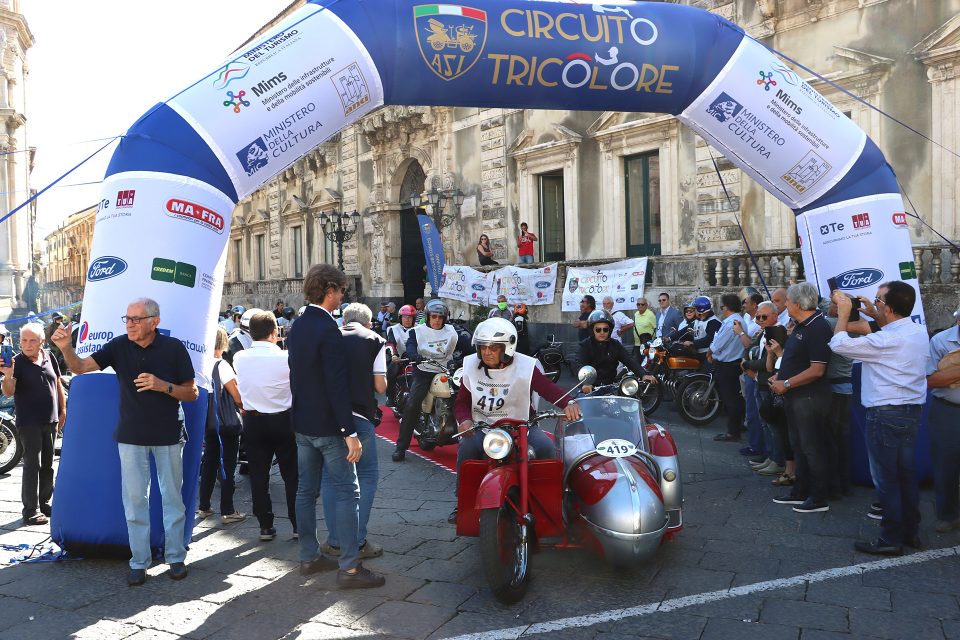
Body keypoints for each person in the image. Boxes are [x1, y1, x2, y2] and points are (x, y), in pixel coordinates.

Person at [51, 298, 197, 586]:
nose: (129, 324)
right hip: (131, 436)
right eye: (127, 319)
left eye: (136, 319)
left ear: (154, 321)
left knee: (172, 500)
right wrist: (66, 347)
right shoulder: (119, 346)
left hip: (168, 434)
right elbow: (80, 368)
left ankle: (176, 558)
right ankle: (139, 561)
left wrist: (162, 385)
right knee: (134, 502)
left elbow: (191, 393)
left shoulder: (174, 348)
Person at [287, 263, 384, 588]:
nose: (343, 295)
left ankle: (309, 557)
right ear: (330, 290)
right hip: (329, 427)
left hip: (302, 423)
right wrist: (349, 432)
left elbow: (297, 377)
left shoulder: (297, 326)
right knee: (348, 491)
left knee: (305, 490)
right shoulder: (328, 329)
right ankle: (350, 568)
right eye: (341, 290)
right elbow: (336, 385)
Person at [830, 282, 928, 555]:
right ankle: (911, 532)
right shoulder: (918, 331)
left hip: (885, 413)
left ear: (890, 307)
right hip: (910, 411)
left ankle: (890, 539)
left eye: (878, 300)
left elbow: (838, 344)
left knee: (886, 480)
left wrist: (843, 313)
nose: (874, 303)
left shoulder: (887, 340)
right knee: (906, 475)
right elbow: (888, 331)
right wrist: (875, 314)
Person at [451, 318, 582, 522]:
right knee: (467, 449)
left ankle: (548, 504)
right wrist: (464, 420)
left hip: (523, 426)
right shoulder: (470, 366)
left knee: (546, 448)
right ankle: (462, 502)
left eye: (493, 348)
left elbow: (548, 389)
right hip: (483, 427)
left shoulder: (526, 366)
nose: (486, 352)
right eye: (483, 347)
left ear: (507, 347)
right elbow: (461, 402)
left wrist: (568, 403)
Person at [321, 303, 386, 560]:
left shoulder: (329, 337)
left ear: (344, 319)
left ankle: (335, 541)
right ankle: (357, 540)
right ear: (369, 323)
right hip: (360, 415)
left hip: (329, 417)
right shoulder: (375, 340)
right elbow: (380, 387)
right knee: (367, 474)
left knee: (330, 477)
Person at [232, 312, 298, 542]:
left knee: (259, 475)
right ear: (275, 332)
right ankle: (297, 523)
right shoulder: (286, 357)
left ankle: (265, 526)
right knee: (292, 475)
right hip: (283, 420)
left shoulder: (240, 357)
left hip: (254, 421)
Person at [769, 282, 833, 515]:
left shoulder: (818, 328)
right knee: (799, 445)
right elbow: (795, 358)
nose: (785, 305)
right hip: (795, 396)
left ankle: (818, 496)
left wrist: (785, 383)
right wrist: (780, 375)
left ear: (797, 303)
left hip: (809, 398)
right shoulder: (801, 326)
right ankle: (800, 491)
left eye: (787, 301)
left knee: (812, 447)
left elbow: (817, 369)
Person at [1, 323, 65, 526]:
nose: (27, 345)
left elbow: (57, 383)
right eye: (24, 340)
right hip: (28, 422)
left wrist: (62, 410)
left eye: (32, 341)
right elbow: (8, 392)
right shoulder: (16, 362)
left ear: (41, 342)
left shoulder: (48, 356)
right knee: (32, 465)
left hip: (51, 420)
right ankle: (30, 510)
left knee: (48, 465)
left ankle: (45, 504)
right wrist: (8, 374)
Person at [395, 299, 469, 461]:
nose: (436, 320)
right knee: (413, 403)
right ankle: (401, 447)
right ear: (428, 317)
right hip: (424, 370)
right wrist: (414, 355)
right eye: (434, 316)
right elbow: (411, 346)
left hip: (447, 370)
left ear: (445, 318)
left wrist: (478, 353)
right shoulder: (417, 331)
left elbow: (468, 345)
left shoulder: (452, 331)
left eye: (440, 317)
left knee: (465, 398)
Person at [196, 327, 246, 525]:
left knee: (209, 463)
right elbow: (236, 395)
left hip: (208, 422)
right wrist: (243, 407)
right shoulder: (222, 365)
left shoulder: (200, 364)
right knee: (227, 465)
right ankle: (228, 509)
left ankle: (204, 506)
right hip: (225, 423)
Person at [926, 304, 960, 534]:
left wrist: (949, 374)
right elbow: (930, 380)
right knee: (945, 463)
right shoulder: (940, 341)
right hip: (948, 410)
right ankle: (947, 514)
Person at [579, 310, 657, 392]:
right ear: (592, 330)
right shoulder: (585, 345)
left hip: (610, 387)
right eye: (598, 330)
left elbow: (629, 359)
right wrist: (585, 383)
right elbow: (579, 364)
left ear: (610, 330)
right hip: (589, 389)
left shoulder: (615, 345)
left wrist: (643, 374)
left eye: (605, 329)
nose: (602, 332)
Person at [708, 294, 747, 443]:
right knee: (732, 399)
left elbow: (718, 344)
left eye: (722, 306)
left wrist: (709, 352)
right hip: (731, 364)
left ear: (726, 306)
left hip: (728, 366)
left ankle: (733, 432)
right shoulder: (735, 320)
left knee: (731, 400)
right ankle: (735, 428)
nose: (721, 308)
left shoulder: (733, 322)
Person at [386, 304, 417, 403]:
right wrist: (394, 355)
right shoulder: (393, 329)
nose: (407, 319)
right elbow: (390, 343)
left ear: (414, 318)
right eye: (405, 317)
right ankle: (390, 396)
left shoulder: (420, 329)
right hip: (398, 359)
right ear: (400, 318)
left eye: (410, 317)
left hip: (416, 359)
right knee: (391, 371)